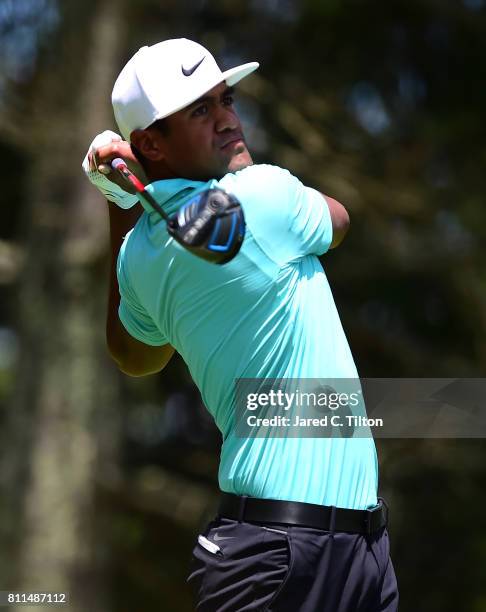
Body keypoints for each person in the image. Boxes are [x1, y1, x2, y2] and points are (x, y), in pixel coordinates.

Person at [82, 38, 399, 612]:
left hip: (351, 548)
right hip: (282, 555)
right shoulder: (262, 195)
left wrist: (118, 198)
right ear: (151, 142)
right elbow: (340, 220)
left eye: (225, 100)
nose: (230, 119)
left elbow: (135, 354)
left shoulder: (139, 257)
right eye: (201, 111)